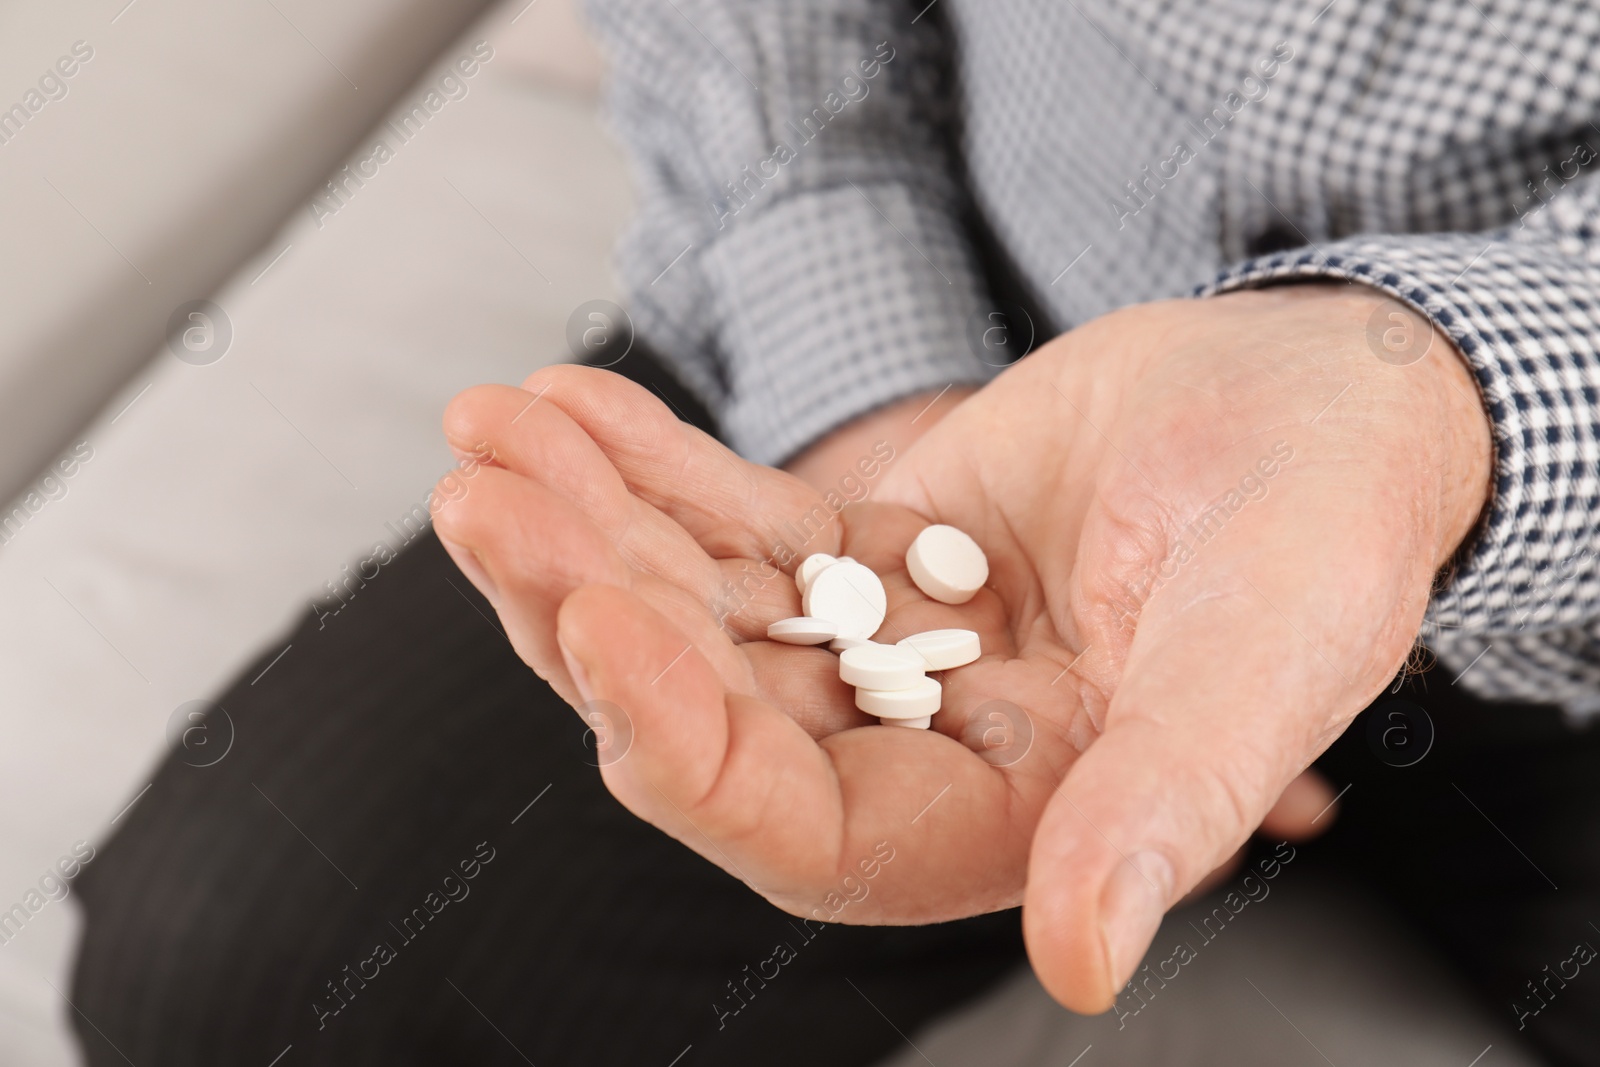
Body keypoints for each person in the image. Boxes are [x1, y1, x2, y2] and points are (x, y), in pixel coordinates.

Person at [69, 2, 1600, 1065]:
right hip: (953, 339)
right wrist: (869, 384)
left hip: (1550, 470)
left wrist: (1422, 409)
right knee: (237, 972)